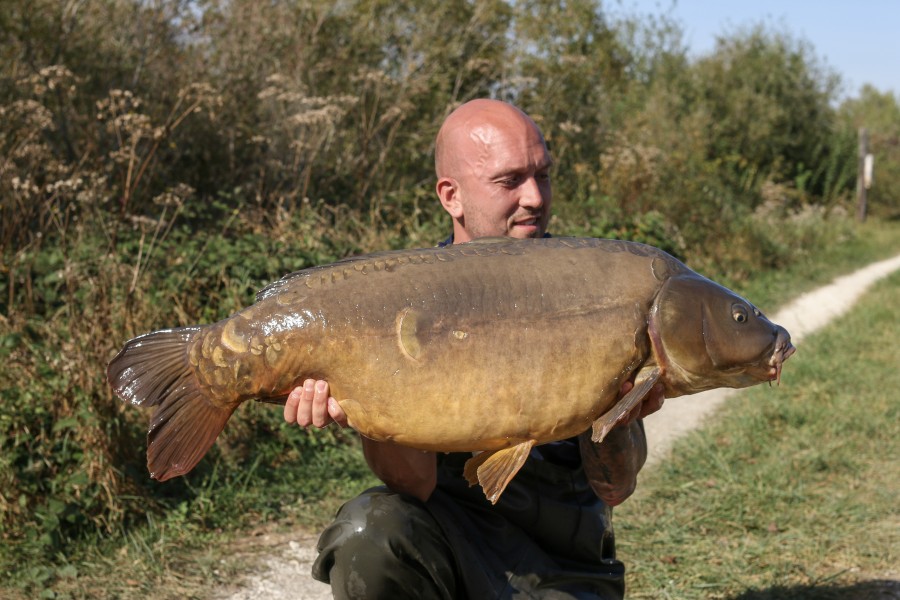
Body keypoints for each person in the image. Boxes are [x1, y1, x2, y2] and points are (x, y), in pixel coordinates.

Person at [283, 99, 665, 599]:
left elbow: (616, 487)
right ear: (452, 196)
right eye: (509, 182)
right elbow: (413, 485)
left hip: (564, 565)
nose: (534, 197)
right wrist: (364, 401)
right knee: (369, 534)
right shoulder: (405, 304)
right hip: (451, 543)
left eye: (543, 175)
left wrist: (622, 407)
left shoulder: (593, 291)